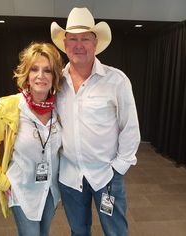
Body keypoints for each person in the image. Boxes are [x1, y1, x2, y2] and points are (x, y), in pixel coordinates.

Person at [50, 7, 140, 236]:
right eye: (73, 39)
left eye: (85, 39)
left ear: (95, 42)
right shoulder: (56, 81)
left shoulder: (116, 80)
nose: (78, 45)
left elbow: (130, 128)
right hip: (70, 176)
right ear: (65, 43)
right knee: (78, 232)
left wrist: (118, 169)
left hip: (106, 175)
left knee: (116, 231)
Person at [0, 42, 64, 236]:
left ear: (54, 76)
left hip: (50, 190)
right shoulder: (10, 106)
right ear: (26, 74)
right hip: (21, 189)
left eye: (47, 70)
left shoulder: (59, 107)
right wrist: (0, 181)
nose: (40, 76)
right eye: (34, 69)